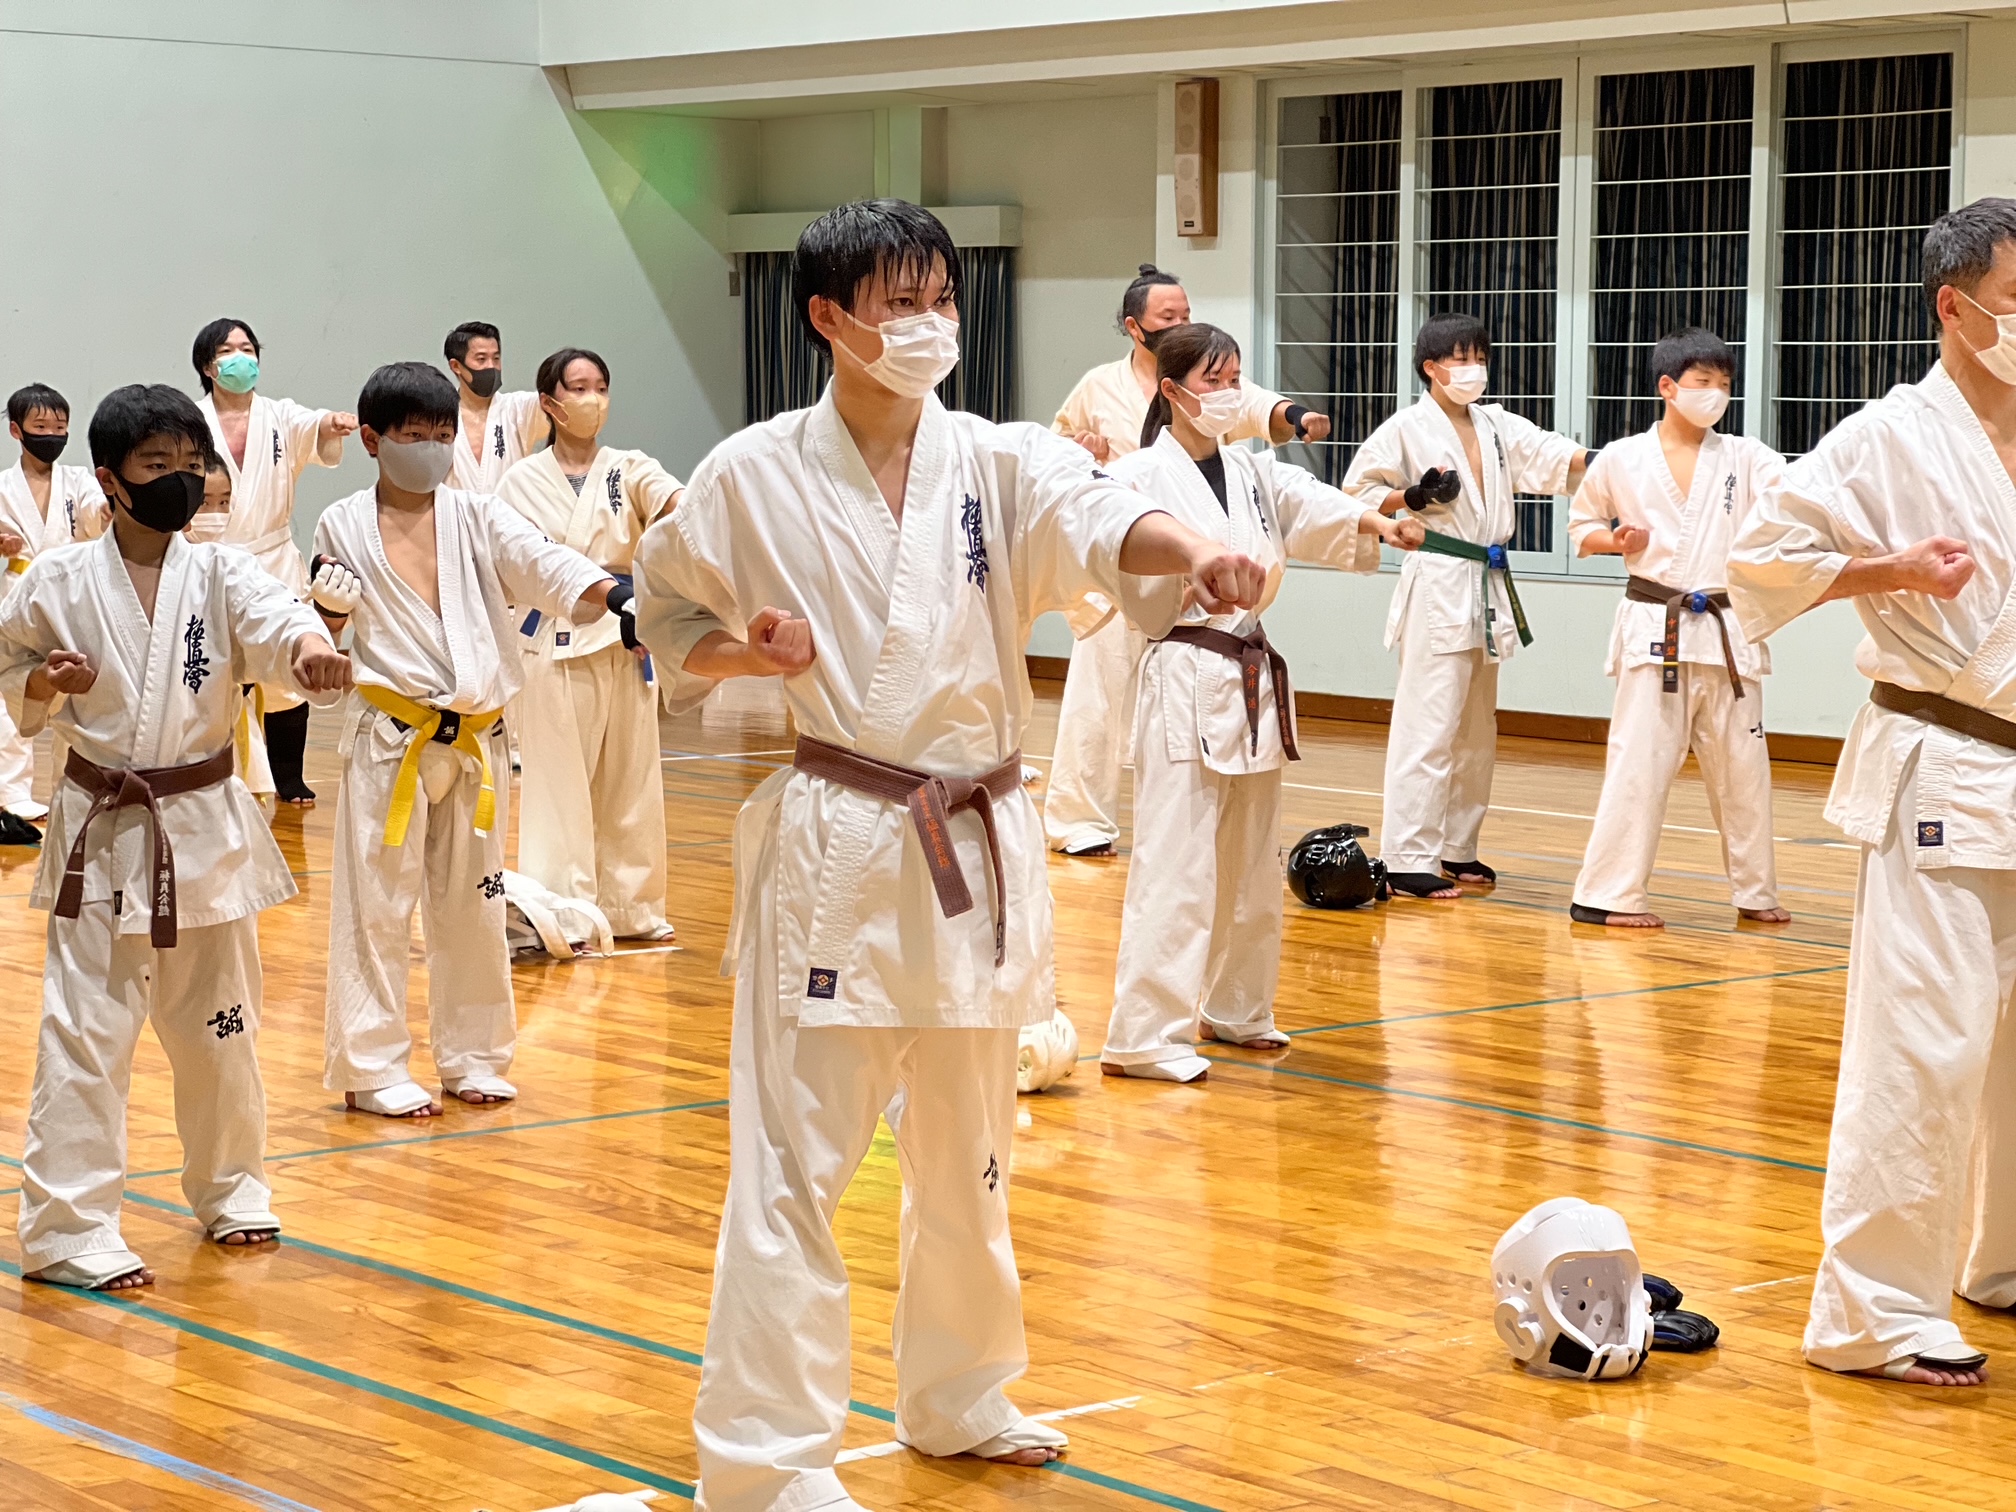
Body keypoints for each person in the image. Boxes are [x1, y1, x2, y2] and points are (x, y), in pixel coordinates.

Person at [631, 200, 1264, 1512]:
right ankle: (765, 1465)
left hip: (979, 840)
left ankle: (960, 1391)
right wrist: (751, 652)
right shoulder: (751, 474)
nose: (930, 327)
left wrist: (1200, 547)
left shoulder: (997, 457)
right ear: (827, 318)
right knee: (798, 1168)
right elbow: (665, 607)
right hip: (843, 849)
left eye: (945, 301)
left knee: (973, 1153)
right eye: (900, 301)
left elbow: (1107, 523)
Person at [1728, 195, 2016, 1390]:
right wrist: (1885, 567)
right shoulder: (1890, 439)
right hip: (1943, 763)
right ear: (1955, 308)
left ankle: (1998, 1262)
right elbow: (1758, 557)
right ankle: (1872, 1310)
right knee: (1926, 1043)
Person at [0, 384, 350, 1291]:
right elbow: (14, 674)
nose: (182, 482)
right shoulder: (58, 581)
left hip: (201, 823)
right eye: (160, 466)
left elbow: (283, 625)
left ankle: (232, 1185)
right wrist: (47, 680)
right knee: (87, 1030)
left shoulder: (224, 574)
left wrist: (310, 652)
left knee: (223, 1023)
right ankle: (69, 1228)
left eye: (193, 466)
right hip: (102, 831)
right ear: (111, 481)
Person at [1099, 323, 1422, 1082]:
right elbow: (1119, 555)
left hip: (1247, 677)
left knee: (1250, 861)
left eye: (1236, 377)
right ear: (1171, 390)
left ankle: (1237, 1007)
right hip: (1184, 668)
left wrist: (1382, 520)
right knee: (1175, 864)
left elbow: (1312, 505)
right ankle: (1145, 1035)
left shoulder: (1248, 472)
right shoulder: (1138, 475)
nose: (1229, 394)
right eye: (1213, 380)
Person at [313, 362, 627, 1120]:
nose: (432, 449)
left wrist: (616, 595)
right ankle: (370, 1064)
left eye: (443, 435)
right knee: (377, 906)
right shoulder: (342, 524)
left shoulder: (477, 516)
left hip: (476, 741)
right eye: (414, 437)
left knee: (475, 906)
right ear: (371, 439)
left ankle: (474, 1056)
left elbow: (545, 565)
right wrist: (324, 614)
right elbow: (324, 633)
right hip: (394, 738)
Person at [1042, 265, 1330, 857]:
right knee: (1096, 696)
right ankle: (1079, 820)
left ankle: (1200, 822)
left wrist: (1298, 419)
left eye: (1185, 311)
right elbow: (1058, 445)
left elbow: (1261, 408)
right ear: (1134, 326)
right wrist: (1082, 448)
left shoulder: (1209, 375)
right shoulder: (1099, 385)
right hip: (1123, 558)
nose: (1181, 321)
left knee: (1175, 714)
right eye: (1168, 317)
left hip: (1201, 564)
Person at [1344, 313, 1588, 899]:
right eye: (1460, 357)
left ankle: (1458, 848)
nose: (1473, 368)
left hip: (1487, 578)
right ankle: (1407, 856)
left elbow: (1559, 459)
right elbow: (1356, 493)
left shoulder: (1497, 424)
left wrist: (1622, 466)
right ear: (1431, 367)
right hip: (1439, 576)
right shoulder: (1405, 428)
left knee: (1478, 728)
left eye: (1479, 356)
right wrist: (1415, 496)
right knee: (1428, 724)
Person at [1568, 329, 1789, 930]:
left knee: (1745, 771)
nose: (1716, 394)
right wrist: (1614, 541)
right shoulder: (1620, 458)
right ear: (1668, 387)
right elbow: (1580, 527)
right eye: (1703, 383)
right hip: (1654, 625)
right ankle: (1606, 895)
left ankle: (1755, 889)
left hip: (1725, 627)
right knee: (1638, 765)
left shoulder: (1748, 458)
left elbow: (1802, 497)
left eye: (1724, 384)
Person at [495, 348, 682, 940]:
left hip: (628, 636)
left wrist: (679, 527)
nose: (591, 399)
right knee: (559, 786)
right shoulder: (520, 480)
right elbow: (522, 562)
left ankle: (633, 908)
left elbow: (679, 506)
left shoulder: (630, 467)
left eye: (600, 386)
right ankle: (565, 909)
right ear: (550, 402)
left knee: (632, 777)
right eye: (577, 388)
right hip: (554, 637)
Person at [192, 317, 358, 807]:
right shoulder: (190, 420)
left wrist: (332, 424)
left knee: (289, 674)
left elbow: (316, 427)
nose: (242, 357)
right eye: (228, 350)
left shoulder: (280, 415)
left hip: (273, 556)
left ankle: (289, 775)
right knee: (218, 669)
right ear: (208, 364)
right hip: (212, 554)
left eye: (249, 347)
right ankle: (221, 768)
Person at [0, 384, 108, 836]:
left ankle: (75, 785)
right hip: (13, 594)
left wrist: (108, 510)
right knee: (11, 697)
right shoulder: (2, 487)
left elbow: (94, 513)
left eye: (60, 427)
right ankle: (12, 793)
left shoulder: (79, 480)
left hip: (70, 597)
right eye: (41, 427)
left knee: (77, 695)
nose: (52, 435)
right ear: (16, 430)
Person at [443, 321, 546, 494]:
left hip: (511, 518)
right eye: (481, 359)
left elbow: (560, 403)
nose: (491, 366)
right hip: (456, 519)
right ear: (456, 366)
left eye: (496, 358)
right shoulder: (438, 415)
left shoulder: (519, 407)